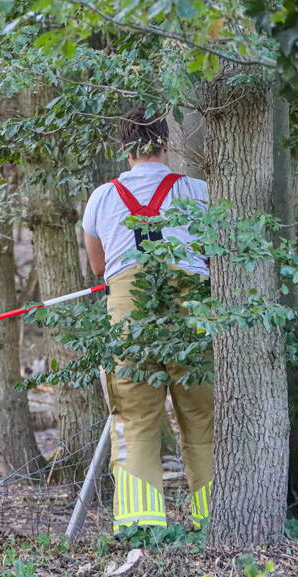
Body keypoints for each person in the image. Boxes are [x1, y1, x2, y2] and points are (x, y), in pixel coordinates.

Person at [81, 107, 213, 531]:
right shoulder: (197, 190)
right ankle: (212, 519)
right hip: (193, 308)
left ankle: (141, 523)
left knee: (135, 417)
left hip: (128, 309)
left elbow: (99, 267)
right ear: (167, 143)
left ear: (124, 149)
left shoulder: (102, 197)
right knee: (202, 415)